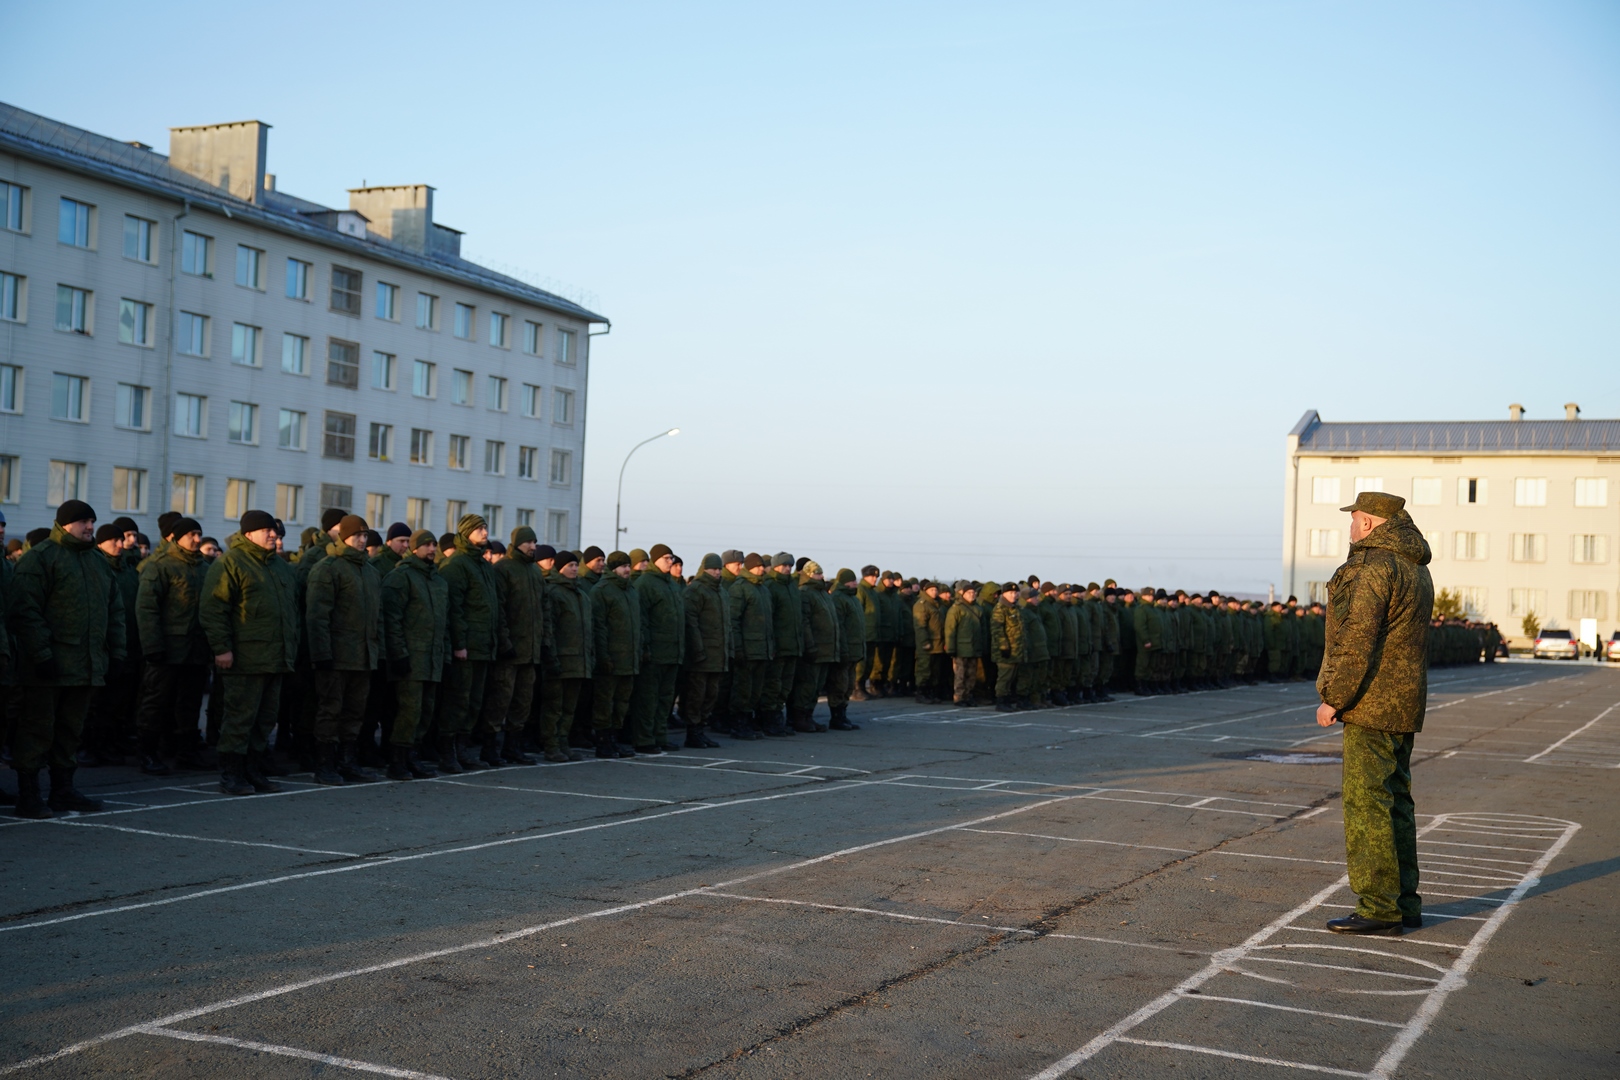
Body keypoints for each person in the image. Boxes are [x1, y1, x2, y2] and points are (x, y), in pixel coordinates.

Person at [1315, 491, 1434, 936]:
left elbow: (1357, 639)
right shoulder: (1415, 567)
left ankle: (1380, 907)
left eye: (1355, 519)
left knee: (1368, 805)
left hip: (1371, 703)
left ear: (1369, 523)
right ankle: (1404, 902)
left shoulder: (1375, 567)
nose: (1350, 526)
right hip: (1403, 702)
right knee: (1397, 801)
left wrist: (1335, 698)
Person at [9, 500, 127, 817]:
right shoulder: (41, 558)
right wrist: (43, 655)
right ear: (63, 525)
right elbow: (25, 611)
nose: (89, 527)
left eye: (92, 520)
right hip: (47, 668)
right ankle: (29, 795)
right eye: (82, 522)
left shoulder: (98, 562)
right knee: (37, 730)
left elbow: (114, 612)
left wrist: (116, 654)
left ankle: (63, 791)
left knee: (70, 731)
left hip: (85, 666)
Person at [200, 510, 299, 796]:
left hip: (276, 657)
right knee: (239, 717)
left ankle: (254, 770)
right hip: (244, 658)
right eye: (266, 530)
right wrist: (222, 649)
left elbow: (292, 612)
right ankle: (232, 773)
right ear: (248, 535)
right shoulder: (230, 563)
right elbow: (214, 610)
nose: (273, 535)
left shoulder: (280, 567)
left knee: (265, 719)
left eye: (274, 531)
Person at [304, 514, 384, 784]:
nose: (362, 540)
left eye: (365, 535)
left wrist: (377, 650)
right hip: (336, 656)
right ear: (343, 537)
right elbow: (317, 616)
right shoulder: (328, 568)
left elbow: (378, 617)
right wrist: (322, 654)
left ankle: (347, 761)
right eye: (357, 535)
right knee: (330, 710)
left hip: (363, 656)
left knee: (354, 711)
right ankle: (324, 764)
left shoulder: (371, 572)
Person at [134, 516, 210, 774]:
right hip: (167, 650)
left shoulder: (203, 567)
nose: (197, 539)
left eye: (199, 534)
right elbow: (146, 609)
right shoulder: (160, 566)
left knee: (189, 703)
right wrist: (153, 646)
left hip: (196, 649)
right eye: (191, 535)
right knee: (156, 701)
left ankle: (186, 752)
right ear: (177, 538)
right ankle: (147, 753)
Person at [438, 513, 510, 771]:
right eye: (479, 529)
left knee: (473, 702)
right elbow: (454, 609)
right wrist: (459, 644)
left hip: (483, 647)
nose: (484, 532)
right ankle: (447, 753)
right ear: (465, 532)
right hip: (466, 647)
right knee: (457, 699)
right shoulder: (457, 565)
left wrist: (498, 641)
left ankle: (463, 749)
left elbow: (494, 607)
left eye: (485, 527)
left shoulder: (482, 565)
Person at [380, 530, 447, 780]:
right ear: (414, 549)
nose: (431, 549)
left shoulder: (437, 580)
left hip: (432, 659)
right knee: (409, 711)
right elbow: (392, 620)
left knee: (426, 711)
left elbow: (444, 622)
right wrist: (398, 654)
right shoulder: (401, 576)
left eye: (434, 545)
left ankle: (412, 756)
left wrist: (445, 654)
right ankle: (397, 760)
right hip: (411, 658)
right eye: (426, 545)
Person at [487, 525, 547, 765]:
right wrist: (504, 642)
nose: (533, 547)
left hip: (530, 651)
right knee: (500, 700)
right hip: (510, 651)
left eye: (535, 542)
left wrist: (544, 643)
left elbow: (544, 611)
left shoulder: (534, 572)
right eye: (529, 542)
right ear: (518, 543)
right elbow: (499, 609)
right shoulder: (503, 569)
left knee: (523, 701)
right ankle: (490, 748)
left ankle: (513, 746)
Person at [538, 551, 596, 761]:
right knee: (554, 706)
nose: (574, 568)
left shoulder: (581, 594)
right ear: (560, 568)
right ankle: (551, 745)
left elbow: (588, 630)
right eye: (570, 565)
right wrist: (551, 658)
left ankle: (563, 742)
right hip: (560, 660)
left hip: (578, 662)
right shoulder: (553, 592)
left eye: (575, 565)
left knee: (569, 708)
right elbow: (549, 629)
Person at [629, 543, 685, 754]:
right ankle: (644, 739)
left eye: (671, 558)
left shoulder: (671, 584)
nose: (670, 562)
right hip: (654, 654)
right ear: (656, 560)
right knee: (648, 699)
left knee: (665, 699)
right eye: (667, 558)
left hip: (672, 653)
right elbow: (642, 620)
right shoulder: (646, 584)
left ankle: (660, 736)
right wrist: (645, 649)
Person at [590, 551, 641, 758]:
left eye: (629, 565)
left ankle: (614, 739)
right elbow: (599, 628)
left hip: (629, 659)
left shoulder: (631, 591)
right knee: (605, 702)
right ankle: (603, 742)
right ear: (613, 568)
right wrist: (603, 657)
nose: (627, 570)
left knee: (621, 703)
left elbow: (638, 625)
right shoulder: (601, 591)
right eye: (622, 566)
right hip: (611, 659)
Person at [679, 553, 730, 747]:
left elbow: (726, 625)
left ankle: (701, 728)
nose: (717, 572)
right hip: (701, 656)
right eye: (713, 568)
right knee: (696, 694)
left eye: (719, 569)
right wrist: (698, 650)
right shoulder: (697, 591)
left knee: (711, 695)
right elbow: (691, 622)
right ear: (705, 568)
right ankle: (693, 731)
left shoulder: (721, 592)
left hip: (718, 654)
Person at [726, 553, 776, 738]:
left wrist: (771, 646)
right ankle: (739, 724)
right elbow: (733, 621)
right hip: (747, 650)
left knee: (755, 690)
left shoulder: (763, 590)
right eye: (758, 566)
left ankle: (749, 721)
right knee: (742, 689)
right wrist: (738, 648)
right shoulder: (740, 588)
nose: (762, 569)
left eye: (762, 566)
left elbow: (768, 623)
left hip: (762, 650)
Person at [788, 561, 837, 732]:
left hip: (825, 649)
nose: (820, 576)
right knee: (807, 684)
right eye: (817, 573)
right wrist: (810, 645)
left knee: (816, 685)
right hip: (814, 648)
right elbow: (805, 622)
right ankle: (799, 717)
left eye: (821, 573)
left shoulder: (822, 593)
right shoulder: (806, 592)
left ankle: (809, 716)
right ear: (808, 574)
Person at [943, 581, 984, 706]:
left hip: (974, 648)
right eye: (969, 593)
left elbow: (983, 631)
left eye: (973, 593)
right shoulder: (956, 609)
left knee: (971, 675)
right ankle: (959, 697)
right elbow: (950, 630)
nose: (972, 595)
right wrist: (951, 648)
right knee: (960, 674)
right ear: (963, 594)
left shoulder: (978, 609)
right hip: (960, 648)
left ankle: (968, 695)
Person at [990, 582, 1025, 712]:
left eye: (1016, 593)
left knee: (1011, 677)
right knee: (1004, 677)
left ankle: (1007, 700)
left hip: (1016, 650)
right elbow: (997, 630)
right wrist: (1004, 646)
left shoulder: (1016, 608)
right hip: (1005, 651)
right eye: (1010, 593)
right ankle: (1001, 701)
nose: (1014, 595)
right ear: (1004, 594)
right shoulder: (1000, 609)